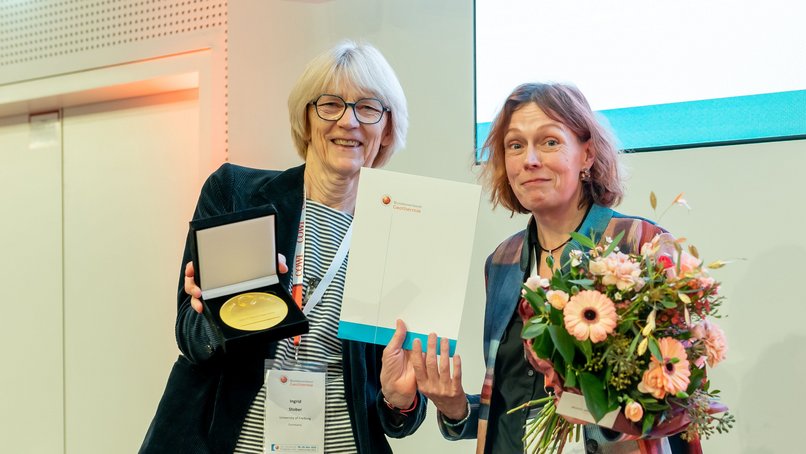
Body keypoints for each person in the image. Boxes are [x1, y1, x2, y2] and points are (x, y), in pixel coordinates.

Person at [141, 41, 425, 454]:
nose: (349, 122)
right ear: (306, 119)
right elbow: (190, 337)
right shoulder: (237, 194)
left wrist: (401, 400)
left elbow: (394, 416)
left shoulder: (397, 234)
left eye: (368, 108)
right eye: (330, 104)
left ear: (386, 128)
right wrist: (224, 312)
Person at [411, 83, 688, 453]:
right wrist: (455, 408)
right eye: (515, 145)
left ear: (587, 154)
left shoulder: (640, 244)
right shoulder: (501, 261)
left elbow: (676, 399)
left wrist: (600, 414)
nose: (529, 160)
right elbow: (511, 404)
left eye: (549, 142)